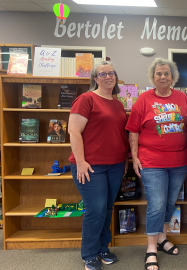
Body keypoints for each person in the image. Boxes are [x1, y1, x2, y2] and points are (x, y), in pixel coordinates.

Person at [125, 58, 187, 270]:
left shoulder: (183, 98)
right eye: (159, 73)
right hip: (151, 162)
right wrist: (134, 157)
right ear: (153, 77)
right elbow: (133, 130)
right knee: (156, 204)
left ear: (173, 77)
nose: (163, 77)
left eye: (167, 73)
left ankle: (162, 238)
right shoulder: (143, 99)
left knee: (170, 202)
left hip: (179, 161)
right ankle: (151, 248)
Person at [68, 61, 129, 270]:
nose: (108, 77)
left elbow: (120, 134)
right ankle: (89, 254)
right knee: (95, 210)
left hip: (115, 165)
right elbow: (74, 132)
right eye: (102, 74)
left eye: (111, 73)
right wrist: (81, 162)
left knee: (106, 208)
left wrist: (125, 159)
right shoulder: (86, 99)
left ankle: (103, 248)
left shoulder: (118, 103)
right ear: (95, 79)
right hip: (89, 166)